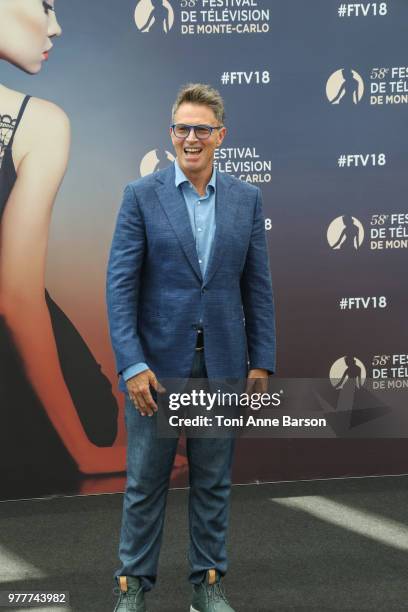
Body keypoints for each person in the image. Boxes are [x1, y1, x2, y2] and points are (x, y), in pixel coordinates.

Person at [107, 83, 276, 611]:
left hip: (222, 365)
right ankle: (133, 587)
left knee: (212, 484)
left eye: (202, 129)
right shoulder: (141, 195)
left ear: (220, 136)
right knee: (144, 485)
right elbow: (120, 288)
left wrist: (262, 360)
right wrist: (132, 363)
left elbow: (258, 286)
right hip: (155, 371)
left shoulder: (246, 198)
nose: (191, 138)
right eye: (182, 128)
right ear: (171, 134)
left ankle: (206, 586)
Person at [0, 0, 125, 481]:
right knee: (92, 417)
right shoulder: (38, 122)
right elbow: (13, 296)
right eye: (45, 4)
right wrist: (83, 453)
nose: (56, 27)